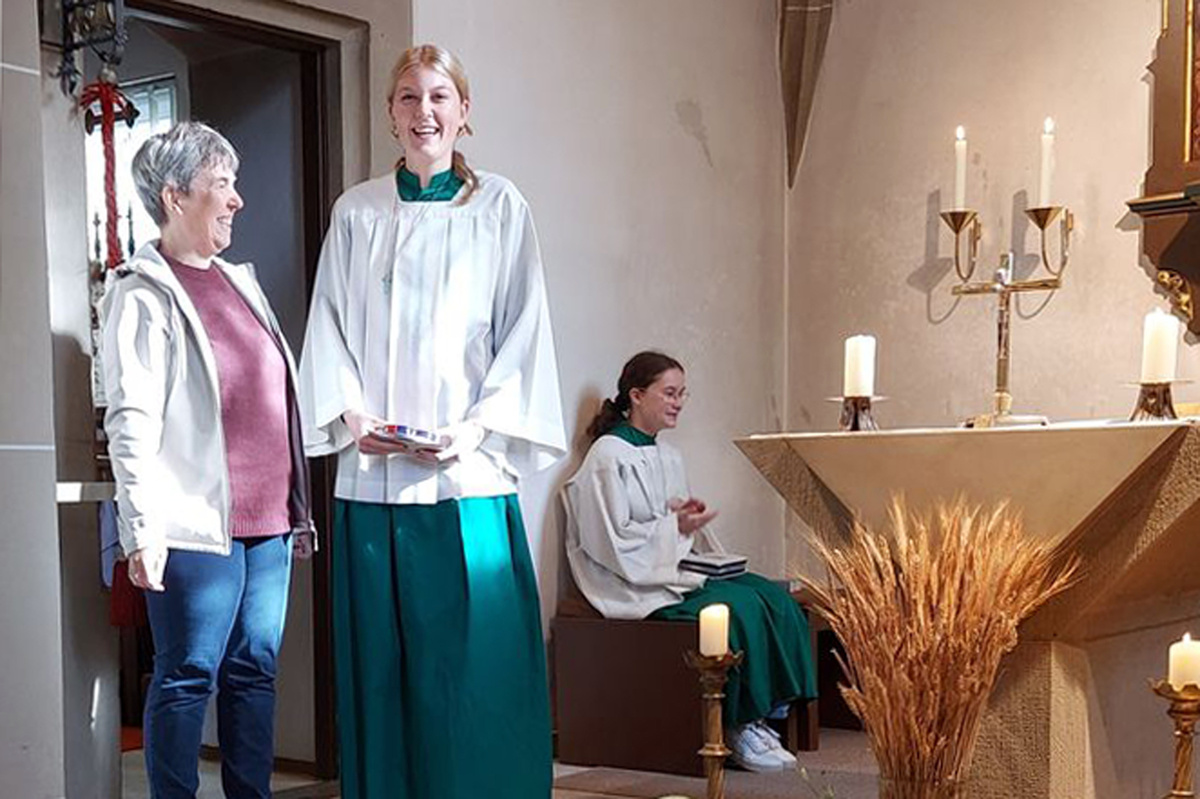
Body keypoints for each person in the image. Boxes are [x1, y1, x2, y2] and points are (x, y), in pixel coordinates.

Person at [298, 43, 566, 799]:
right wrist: (352, 416)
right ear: (390, 113)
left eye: (440, 97)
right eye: (409, 98)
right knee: (384, 673)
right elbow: (329, 329)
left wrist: (474, 430)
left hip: (468, 480)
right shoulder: (357, 212)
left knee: (476, 672)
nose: (425, 113)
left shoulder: (500, 207)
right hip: (375, 483)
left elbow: (525, 330)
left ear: (464, 111)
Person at [103, 121, 315, 799]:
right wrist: (142, 529)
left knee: (254, 670)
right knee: (189, 671)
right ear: (174, 196)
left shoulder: (240, 283)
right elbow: (130, 419)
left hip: (269, 521)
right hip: (194, 523)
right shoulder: (140, 292)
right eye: (222, 184)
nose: (237, 200)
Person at [562, 351, 817, 773]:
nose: (678, 402)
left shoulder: (668, 455)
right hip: (626, 581)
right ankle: (734, 726)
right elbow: (606, 539)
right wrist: (672, 527)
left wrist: (685, 522)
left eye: (683, 394)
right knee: (736, 609)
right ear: (636, 395)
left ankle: (764, 714)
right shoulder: (608, 456)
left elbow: (668, 525)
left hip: (667, 569)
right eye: (669, 393)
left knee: (769, 593)